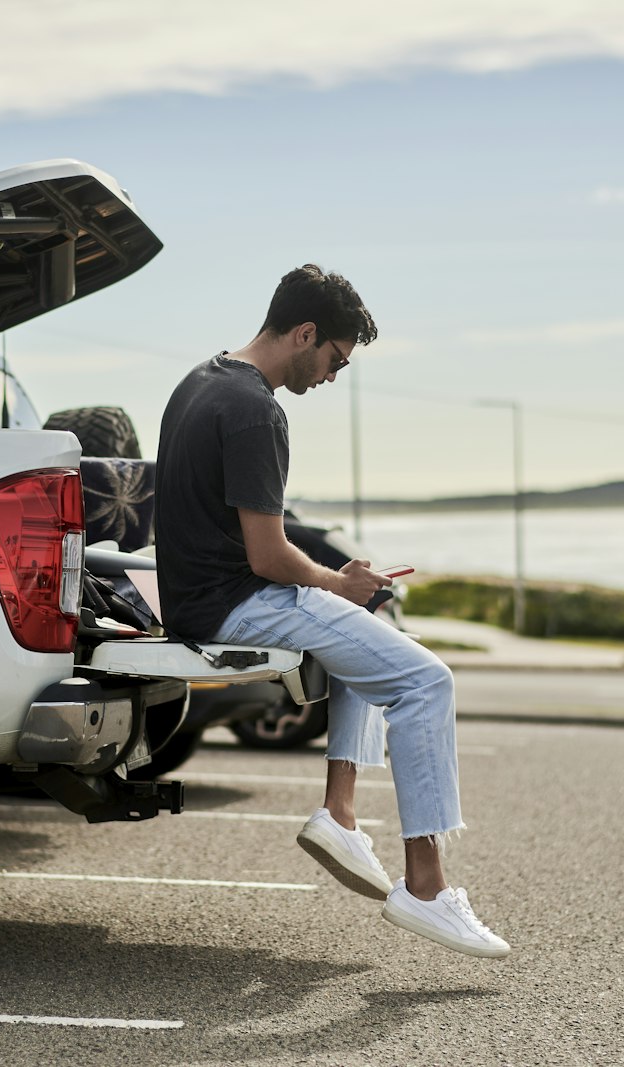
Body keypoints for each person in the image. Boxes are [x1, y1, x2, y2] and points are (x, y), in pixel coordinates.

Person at [152, 264, 509, 959]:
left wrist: (336, 589)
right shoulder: (257, 410)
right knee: (427, 681)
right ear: (305, 333)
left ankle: (340, 812)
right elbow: (267, 554)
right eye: (334, 360)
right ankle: (427, 888)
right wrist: (334, 582)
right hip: (236, 604)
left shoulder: (197, 381)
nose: (331, 377)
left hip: (201, 597)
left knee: (365, 642)